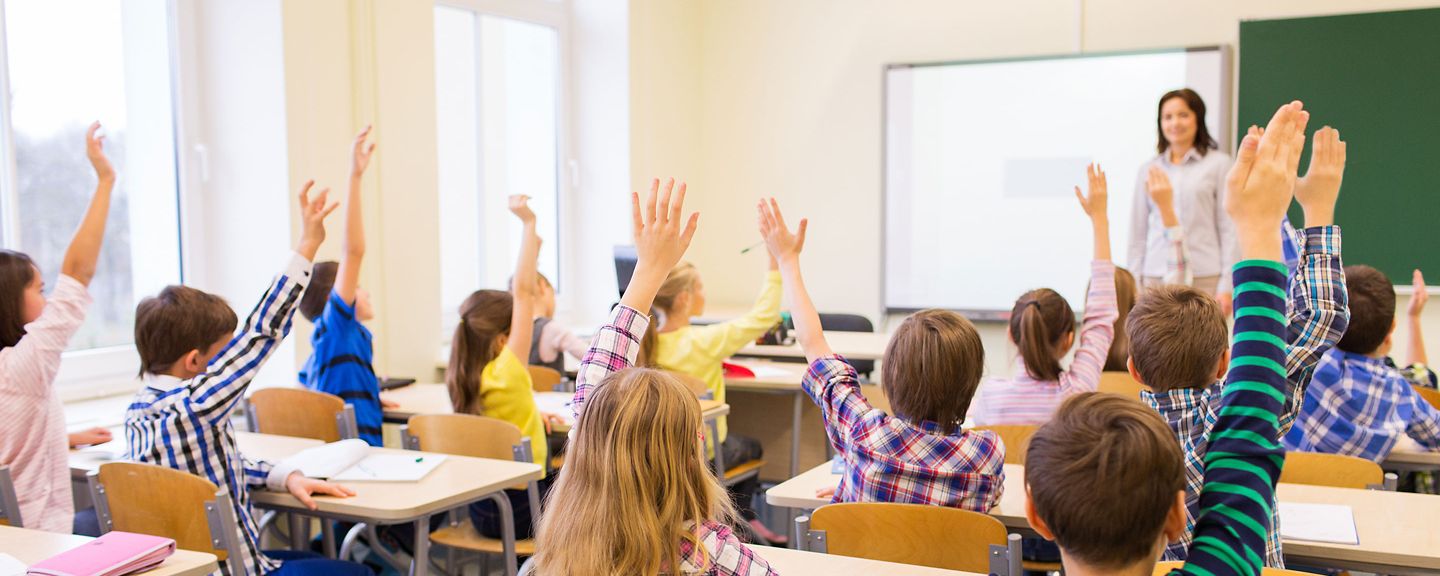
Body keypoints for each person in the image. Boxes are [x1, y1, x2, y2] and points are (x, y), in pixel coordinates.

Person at [1024, 99, 1309, 576]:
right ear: (1177, 518)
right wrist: (1260, 226)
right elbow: (1246, 432)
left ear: (1037, 517)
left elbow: (1247, 431)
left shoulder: (1213, 165)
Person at [531, 178, 776, 576]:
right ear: (690, 453)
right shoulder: (708, 552)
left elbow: (595, 385)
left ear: (590, 443)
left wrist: (648, 271)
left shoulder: (563, 543)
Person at [1131, 124, 1349, 565]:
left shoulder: (1113, 442)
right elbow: (1319, 315)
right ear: (1226, 363)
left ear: (1132, 368)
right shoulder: (1241, 414)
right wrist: (1313, 210)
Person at [125, 182, 368, 575]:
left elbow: (212, 470)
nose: (231, 360)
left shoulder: (139, 413)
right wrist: (307, 244)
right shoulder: (194, 406)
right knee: (356, 572)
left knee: (316, 562)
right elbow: (261, 332)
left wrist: (282, 474)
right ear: (194, 361)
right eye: (224, 351)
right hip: (241, 571)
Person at [0, 123, 114, 533]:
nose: (48, 301)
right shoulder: (22, 367)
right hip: (40, 541)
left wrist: (61, 438)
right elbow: (78, 273)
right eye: (39, 289)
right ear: (9, 301)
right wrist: (105, 180)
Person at [446, 195, 564, 539]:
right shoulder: (507, 372)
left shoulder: (463, 378)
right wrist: (528, 224)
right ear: (502, 341)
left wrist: (531, 419)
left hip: (482, 510)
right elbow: (525, 293)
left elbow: (500, 423)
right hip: (524, 512)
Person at [973, 164, 1118, 425]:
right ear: (1068, 340)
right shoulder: (1076, 394)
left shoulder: (990, 397)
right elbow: (1101, 317)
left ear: (1011, 335)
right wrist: (1100, 220)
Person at [1286, 265, 1440, 461]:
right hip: (1353, 489)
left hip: (1287, 485)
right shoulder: (1399, 392)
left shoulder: (1304, 362)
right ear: (1392, 326)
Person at [298, 126, 390, 446]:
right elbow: (353, 251)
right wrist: (355, 175)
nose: (363, 292)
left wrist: (372, 396)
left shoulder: (325, 347)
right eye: (358, 287)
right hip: (359, 459)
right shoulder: (338, 331)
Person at [1129, 88, 1236, 309]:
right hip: (1156, 276)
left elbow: (1229, 228)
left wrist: (1227, 285)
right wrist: (1134, 282)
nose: (1175, 123)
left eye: (1183, 115)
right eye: (1167, 117)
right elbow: (1137, 231)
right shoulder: (1149, 169)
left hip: (1204, 275)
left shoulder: (1219, 164)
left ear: (1198, 118)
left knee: (1204, 342)